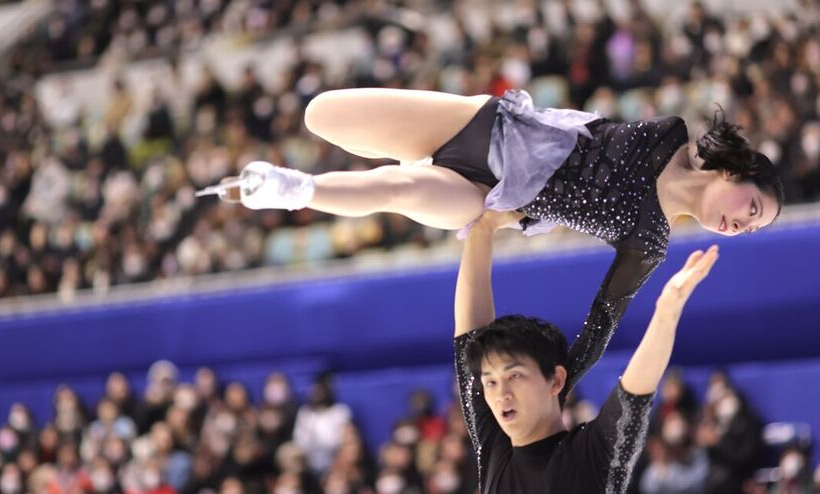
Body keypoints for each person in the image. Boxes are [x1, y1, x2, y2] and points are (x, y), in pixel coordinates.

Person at [201, 87, 781, 386]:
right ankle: (300, 172)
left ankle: (290, 188)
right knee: (321, 114)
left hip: (492, 199)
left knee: (400, 188)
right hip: (489, 128)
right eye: (750, 206)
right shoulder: (668, 135)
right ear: (734, 172)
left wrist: (561, 381)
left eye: (750, 229)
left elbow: (602, 323)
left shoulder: (648, 242)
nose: (740, 226)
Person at [452, 210, 718, 494]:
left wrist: (666, 312)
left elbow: (634, 392)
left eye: (515, 377)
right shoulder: (494, 444)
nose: (501, 395)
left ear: (555, 381)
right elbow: (469, 335)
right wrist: (481, 229)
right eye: (491, 382)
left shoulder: (593, 453)